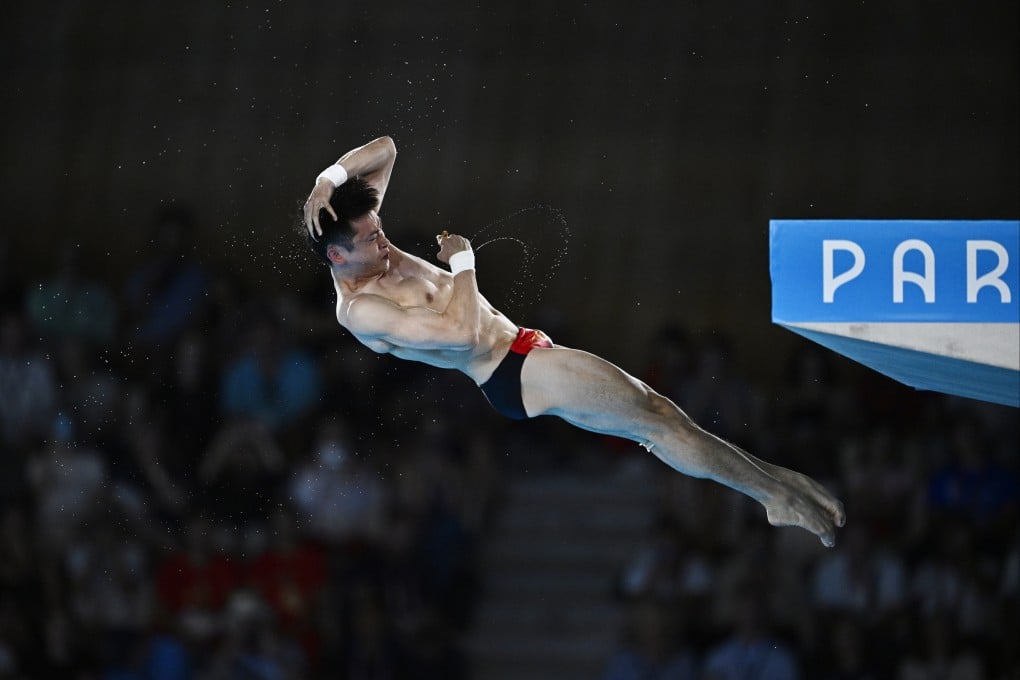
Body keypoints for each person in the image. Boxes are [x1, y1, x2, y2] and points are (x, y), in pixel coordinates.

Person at [300, 136, 845, 547]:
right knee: (654, 418)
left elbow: (387, 151)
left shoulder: (365, 243)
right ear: (339, 258)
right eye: (372, 239)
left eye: (380, 227)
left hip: (523, 352)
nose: (386, 240)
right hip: (509, 373)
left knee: (659, 418)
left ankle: (775, 482)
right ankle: (772, 495)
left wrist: (329, 180)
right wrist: (463, 261)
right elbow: (463, 333)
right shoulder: (363, 311)